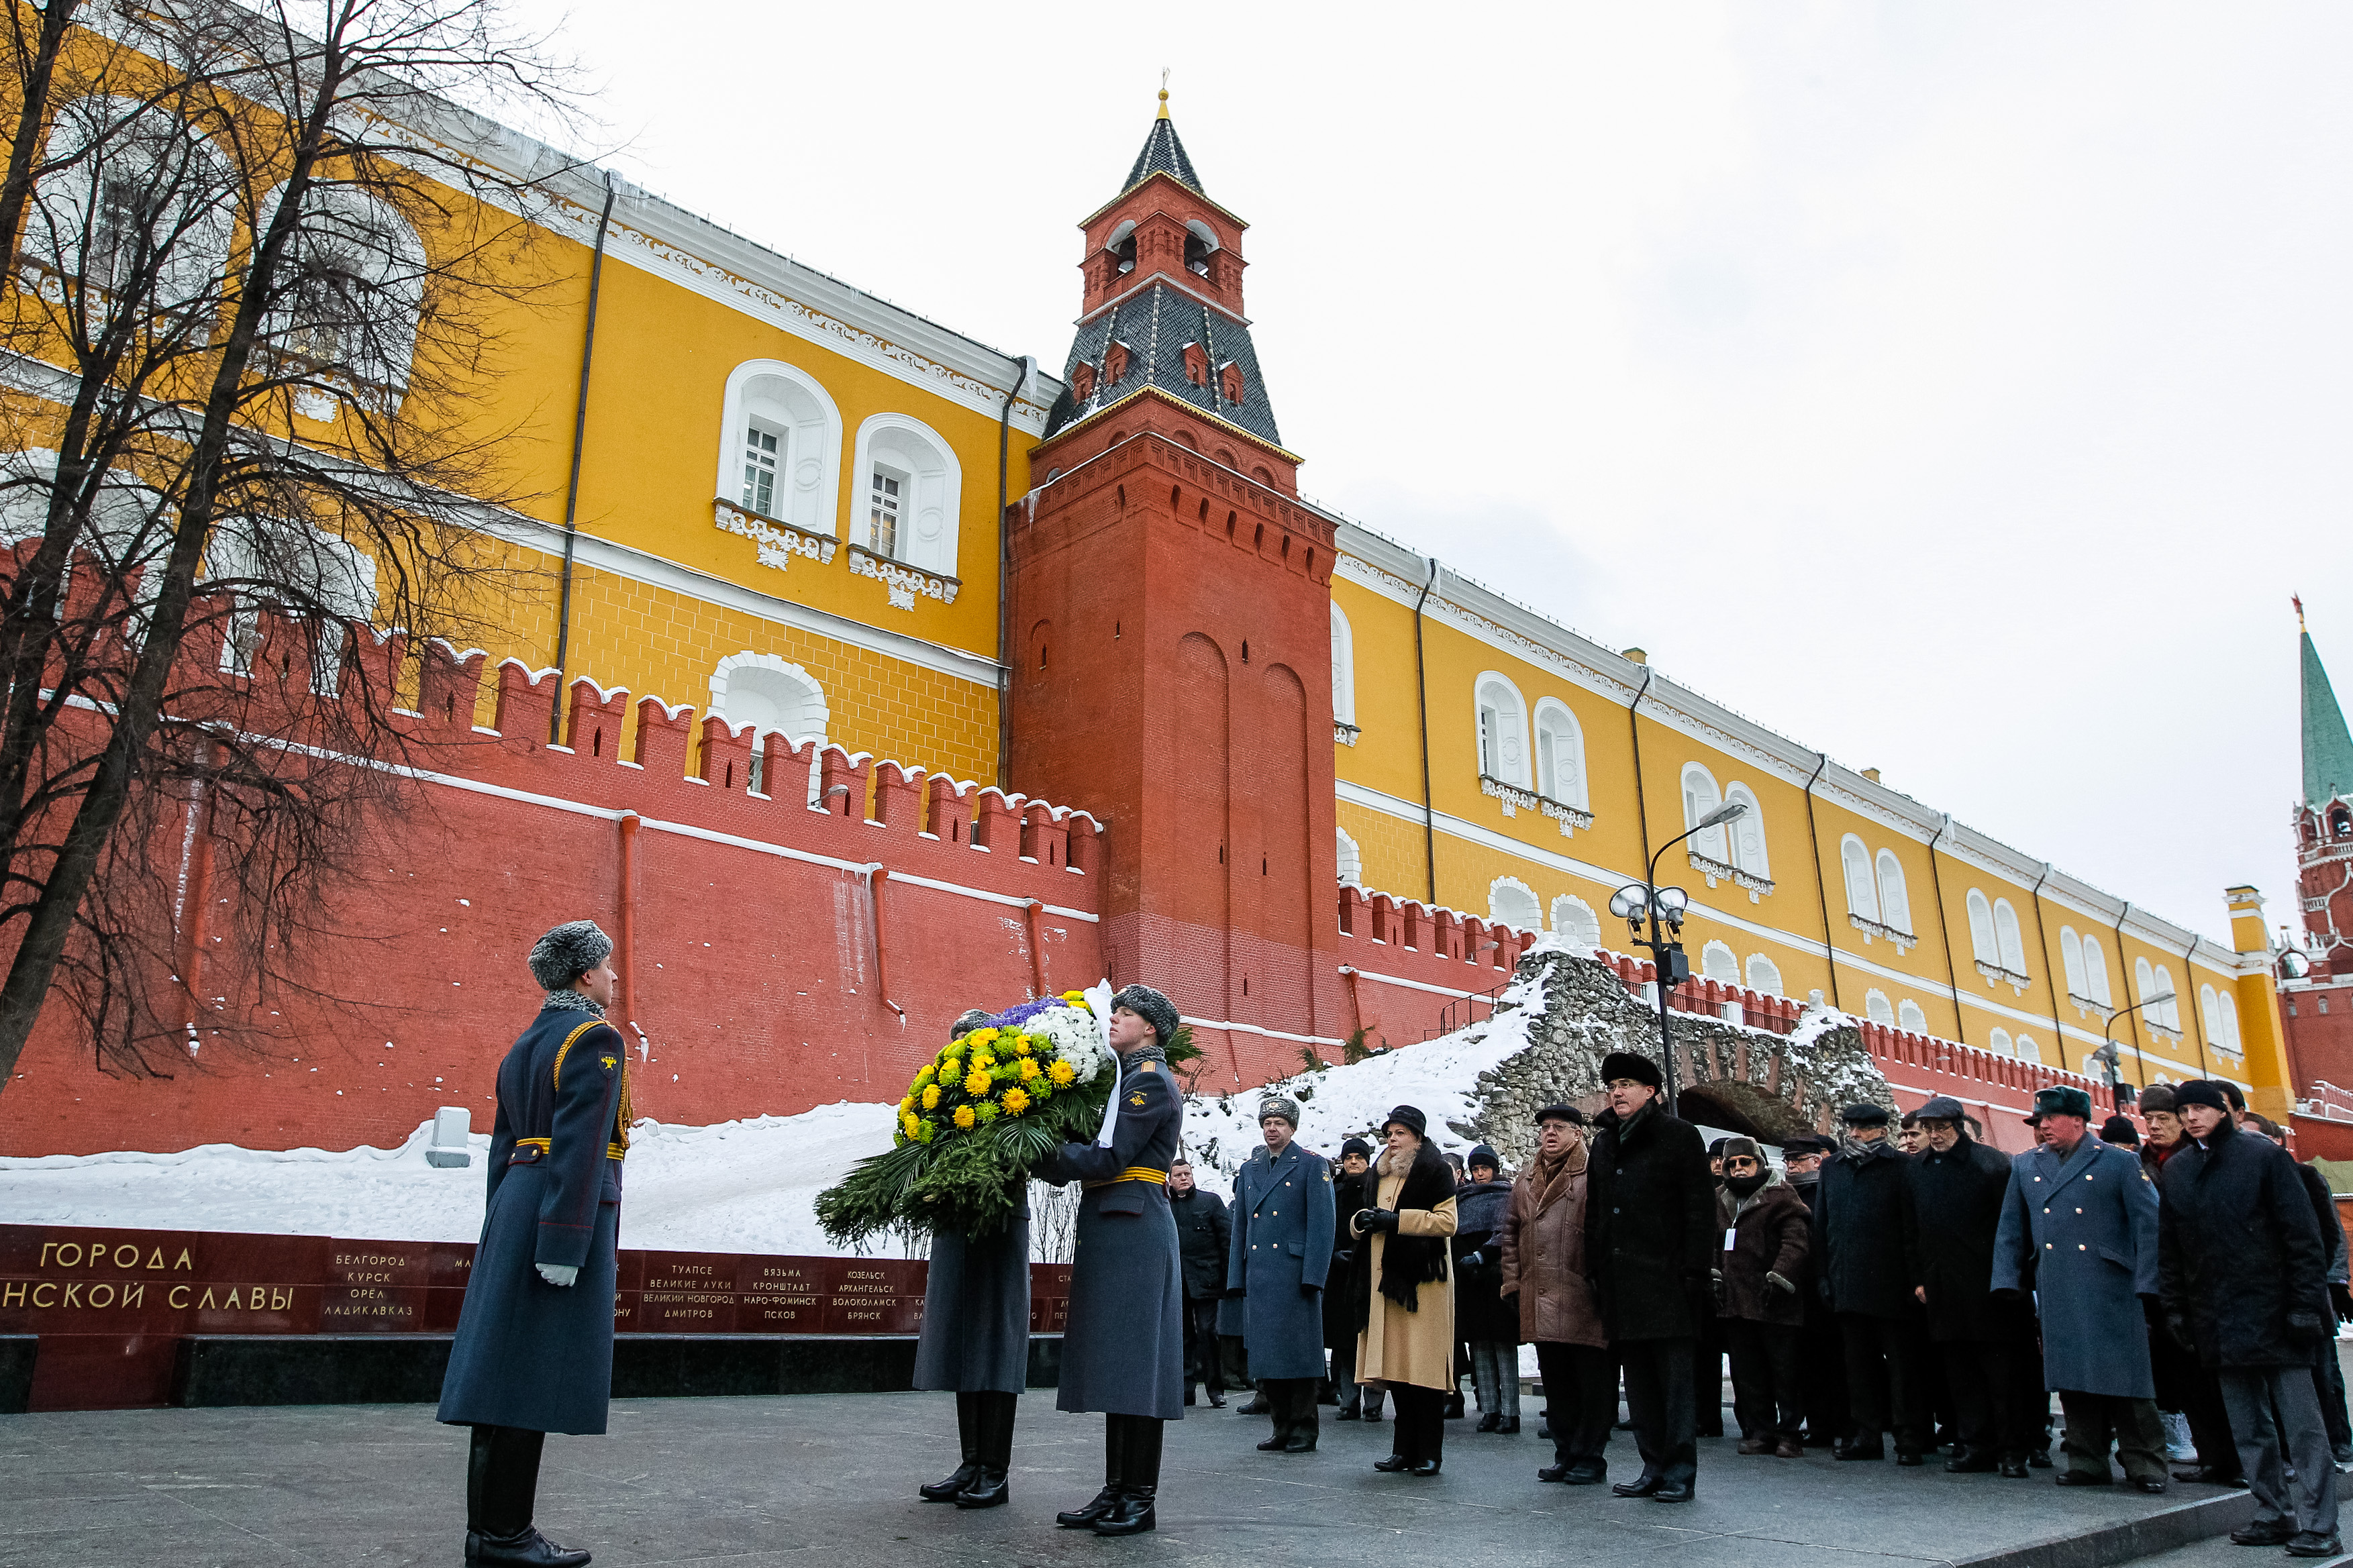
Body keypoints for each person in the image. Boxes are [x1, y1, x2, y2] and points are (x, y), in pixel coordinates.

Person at [437, 919, 627, 1568]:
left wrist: (501, 1224)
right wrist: (567, 1240)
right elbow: (580, 1148)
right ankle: (507, 1537)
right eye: (606, 966)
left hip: (519, 1204)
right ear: (583, 976)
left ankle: (492, 1532)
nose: (613, 976)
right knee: (530, 1374)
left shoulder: (526, 1042)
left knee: (503, 1374)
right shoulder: (595, 1037)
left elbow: (501, 1146)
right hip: (559, 1210)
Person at [2160, 1080, 2339, 1556]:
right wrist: (2176, 1306)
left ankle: (2320, 1524)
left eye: (2201, 1107)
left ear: (2224, 1110)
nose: (2192, 1117)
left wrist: (2304, 1305)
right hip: (2218, 1317)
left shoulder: (2264, 1157)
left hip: (2279, 1314)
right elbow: (2171, 1247)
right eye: (2184, 1110)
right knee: (2249, 1428)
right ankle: (2272, 1514)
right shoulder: (2178, 1170)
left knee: (2303, 1430)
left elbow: (2303, 1237)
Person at [1034, 984, 1187, 1537]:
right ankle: (1116, 1488)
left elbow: (1110, 1154)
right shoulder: (1126, 1079)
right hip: (1115, 1223)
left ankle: (1139, 1497)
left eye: (1125, 1014)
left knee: (1137, 1366)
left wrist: (1037, 1150)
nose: (1114, 1019)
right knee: (1119, 1365)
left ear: (1150, 1028)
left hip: (1134, 1224)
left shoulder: (1149, 1080)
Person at [1993, 1084, 2167, 1493]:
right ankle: (2087, 1460)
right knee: (2072, 1375)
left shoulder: (2119, 1163)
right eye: (2039, 1120)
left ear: (2078, 1120)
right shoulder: (2025, 1165)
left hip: (2112, 1285)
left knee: (2127, 1378)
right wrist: (2005, 1279)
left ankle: (2146, 1464)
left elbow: (2149, 1225)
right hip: (2056, 1282)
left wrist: (2150, 1283)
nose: (2043, 1127)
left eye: (2050, 1118)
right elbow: (2010, 1230)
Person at [911, 1010, 1033, 1510]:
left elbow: (1031, 1148)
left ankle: (995, 1470)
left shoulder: (1017, 1095)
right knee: (964, 1342)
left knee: (995, 1345)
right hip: (956, 1227)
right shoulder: (940, 1103)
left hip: (999, 1224)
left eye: (969, 1042)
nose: (958, 1050)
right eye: (953, 1041)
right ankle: (971, 1461)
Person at [1587, 1050, 1715, 1504]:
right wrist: (1594, 1268)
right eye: (1612, 1084)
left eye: (1626, 1083)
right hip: (1620, 1282)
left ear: (1651, 1091)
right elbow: (1596, 1211)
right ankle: (1653, 1464)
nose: (1616, 1091)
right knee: (1639, 1384)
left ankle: (1680, 1469)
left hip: (1669, 1281)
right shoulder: (1605, 1141)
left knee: (1675, 1385)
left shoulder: (1679, 1136)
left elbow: (1700, 1210)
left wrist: (1695, 1270)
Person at [1903, 1094, 2039, 1477]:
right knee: (1960, 1375)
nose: (1935, 1135)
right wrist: (1918, 1278)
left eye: (1941, 1128)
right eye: (1928, 1129)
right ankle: (1973, 1444)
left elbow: (2012, 1230)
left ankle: (2013, 1449)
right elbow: (1910, 1229)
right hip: (1943, 1287)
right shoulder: (1918, 1169)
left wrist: (2010, 1280)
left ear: (1958, 1126)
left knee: (2001, 1375)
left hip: (1990, 1289)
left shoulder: (1992, 1165)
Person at [1501, 1104, 1613, 1483]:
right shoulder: (1525, 1178)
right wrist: (1512, 1282)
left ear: (1578, 1133)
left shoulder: (1593, 1173)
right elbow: (1511, 1236)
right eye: (1545, 1127)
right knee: (1557, 1381)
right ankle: (1565, 1452)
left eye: (1559, 1127)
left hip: (1582, 1293)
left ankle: (1590, 1457)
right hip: (1540, 1294)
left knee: (1591, 1382)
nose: (1550, 1133)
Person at [1813, 1101, 1929, 1464]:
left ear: (1882, 1130)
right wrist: (1824, 1275)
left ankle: (1909, 1437)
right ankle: (1866, 1436)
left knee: (1902, 1366)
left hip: (1892, 1284)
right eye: (1851, 1126)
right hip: (1847, 1279)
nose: (1854, 1133)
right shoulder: (1833, 1167)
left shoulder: (1902, 1166)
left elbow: (1913, 1228)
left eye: (1862, 1127)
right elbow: (1822, 1226)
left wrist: (1915, 1280)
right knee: (1858, 1365)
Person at [1349, 1104, 1459, 1475]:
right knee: (1397, 1370)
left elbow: (1447, 1222)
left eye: (1400, 1134)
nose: (1392, 1141)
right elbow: (1366, 1218)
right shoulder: (1377, 1173)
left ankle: (1430, 1452)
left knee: (1423, 1371)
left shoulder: (1435, 1170)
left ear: (1417, 1137)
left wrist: (1396, 1221)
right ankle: (1403, 1450)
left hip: (1422, 1284)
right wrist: (1360, 1221)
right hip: (1385, 1284)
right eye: (1389, 1134)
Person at [1229, 1095, 1337, 1454]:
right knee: (1267, 1356)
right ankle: (1281, 1425)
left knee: (1299, 1355)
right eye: (1267, 1123)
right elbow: (1240, 1227)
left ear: (1293, 1128)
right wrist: (1236, 1275)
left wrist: (1314, 1276)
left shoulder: (1310, 1165)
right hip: (1260, 1273)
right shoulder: (1250, 1169)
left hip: (1294, 1274)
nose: (1272, 1129)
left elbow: (1323, 1226)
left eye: (1279, 1123)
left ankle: (1305, 1428)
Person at [2260, 1118, 2353, 1465]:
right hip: (2275, 1297)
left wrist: (2336, 1283)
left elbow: (2331, 1236)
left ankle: (2339, 1439)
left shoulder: (2308, 1177)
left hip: (2313, 1292)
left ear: (2277, 1142)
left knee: (2325, 1372)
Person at [1714, 1137, 1810, 1458]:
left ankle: (1791, 1433)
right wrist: (1713, 1274)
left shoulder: (1781, 1196)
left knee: (1785, 1372)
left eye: (1746, 1162)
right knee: (1748, 1372)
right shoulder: (1720, 1199)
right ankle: (1760, 1431)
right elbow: (1711, 1243)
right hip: (1735, 1300)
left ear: (1759, 1162)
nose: (1739, 1169)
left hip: (1775, 1300)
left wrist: (1781, 1277)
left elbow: (1796, 1242)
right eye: (1732, 1164)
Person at [1781, 1133, 1850, 1449]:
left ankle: (1842, 1423)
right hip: (1797, 1290)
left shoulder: (1826, 1191)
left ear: (1816, 1161)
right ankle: (1820, 1424)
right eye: (1788, 1160)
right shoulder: (1784, 1194)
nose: (1791, 1166)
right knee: (1806, 1361)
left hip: (1823, 1284)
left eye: (1797, 1160)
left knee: (1834, 1360)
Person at [1455, 1143, 1519, 1433]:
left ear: (1495, 1169)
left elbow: (1506, 1231)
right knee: (1478, 1342)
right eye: (1476, 1170)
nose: (1480, 1175)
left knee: (1503, 1343)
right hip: (1470, 1277)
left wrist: (1482, 1255)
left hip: (1497, 1274)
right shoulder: (1463, 1198)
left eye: (1485, 1169)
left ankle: (1511, 1412)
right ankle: (1490, 1409)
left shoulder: (1507, 1195)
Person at [1329, 1138, 1384, 1422]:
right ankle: (1349, 1400)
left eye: (1358, 1158)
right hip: (1340, 1276)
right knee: (1345, 1341)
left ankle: (1373, 1401)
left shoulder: (1377, 1191)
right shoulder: (1333, 1191)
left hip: (1369, 1273)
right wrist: (1334, 1254)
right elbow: (1326, 1227)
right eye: (1348, 1158)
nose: (1353, 1162)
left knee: (1371, 1339)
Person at [1169, 1159, 1231, 1409]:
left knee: (1207, 1332)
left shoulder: (1211, 1202)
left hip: (1207, 1279)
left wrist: (1228, 1279)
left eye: (1188, 1173)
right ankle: (1186, 1390)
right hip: (1176, 1280)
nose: (1184, 1178)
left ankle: (1216, 1390)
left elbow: (1227, 1241)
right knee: (1183, 1335)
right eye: (1178, 1175)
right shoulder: (1164, 1205)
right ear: (1169, 1180)